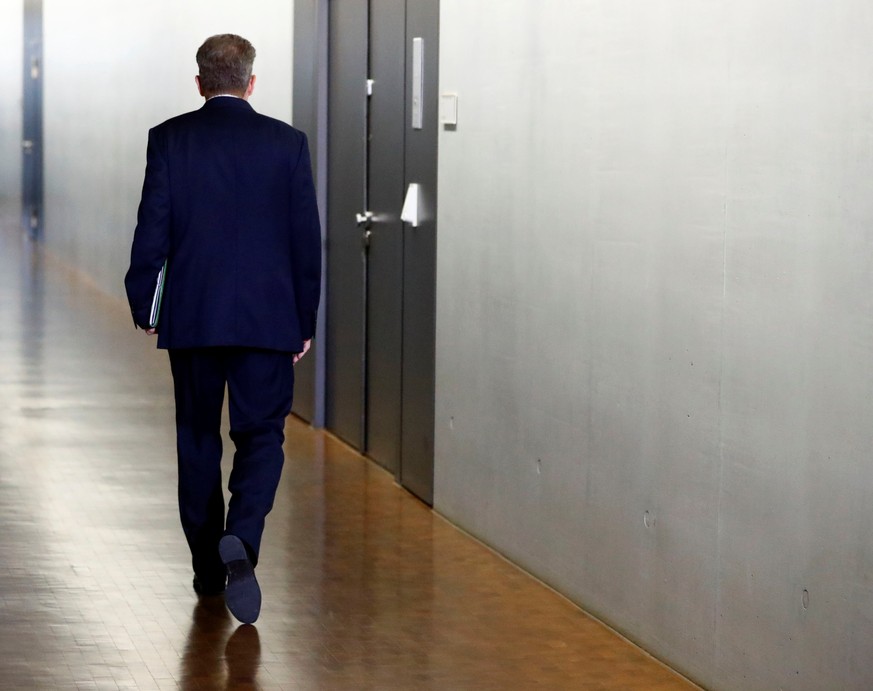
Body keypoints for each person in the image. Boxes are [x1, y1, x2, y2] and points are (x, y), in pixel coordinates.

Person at [124, 34, 321, 625]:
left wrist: (145, 303)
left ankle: (209, 569)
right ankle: (244, 537)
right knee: (262, 437)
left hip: (195, 318)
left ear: (200, 82)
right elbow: (304, 242)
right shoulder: (287, 144)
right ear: (251, 82)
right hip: (268, 320)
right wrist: (302, 321)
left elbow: (151, 229)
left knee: (198, 439)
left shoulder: (170, 139)